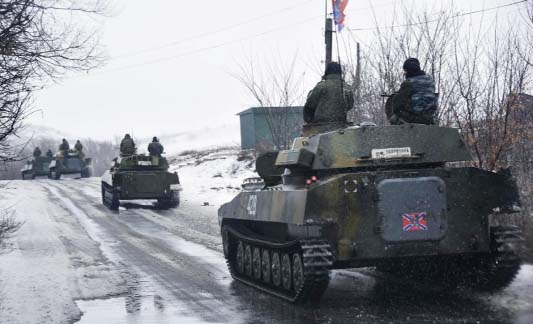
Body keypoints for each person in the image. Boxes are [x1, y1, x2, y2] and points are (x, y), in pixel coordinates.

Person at [387, 58, 437, 125]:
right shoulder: (431, 81)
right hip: (428, 118)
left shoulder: (408, 83)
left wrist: (395, 96)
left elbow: (397, 106)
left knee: (394, 117)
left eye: (405, 71)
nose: (404, 73)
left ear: (408, 70)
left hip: (413, 119)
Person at [303, 62, 354, 126]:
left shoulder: (321, 86)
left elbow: (310, 105)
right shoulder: (346, 88)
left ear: (327, 72)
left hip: (320, 126)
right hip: (341, 125)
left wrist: (309, 119)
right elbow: (350, 105)